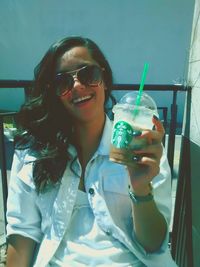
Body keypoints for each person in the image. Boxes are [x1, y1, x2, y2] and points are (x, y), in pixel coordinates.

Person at [6, 36, 177, 267]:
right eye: (63, 82)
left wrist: (140, 188)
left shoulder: (142, 149)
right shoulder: (33, 151)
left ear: (104, 80)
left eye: (88, 74)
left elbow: (153, 244)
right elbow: (22, 233)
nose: (77, 86)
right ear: (55, 93)